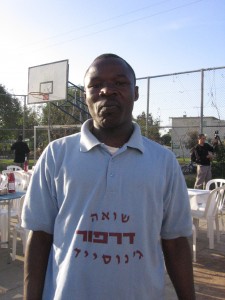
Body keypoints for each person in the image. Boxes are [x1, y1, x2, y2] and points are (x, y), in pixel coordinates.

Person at [22, 54, 195, 300]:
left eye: (119, 83)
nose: (106, 90)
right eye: (95, 85)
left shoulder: (163, 161)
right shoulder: (56, 155)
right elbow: (39, 237)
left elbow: (176, 242)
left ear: (135, 93)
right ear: (85, 96)